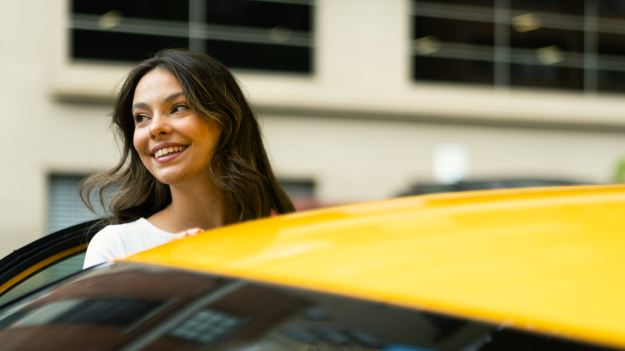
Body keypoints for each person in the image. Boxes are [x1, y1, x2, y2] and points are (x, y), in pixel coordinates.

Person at [81, 49, 295, 268]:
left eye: (178, 108)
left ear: (226, 121)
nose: (155, 129)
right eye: (142, 118)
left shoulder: (290, 242)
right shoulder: (117, 247)